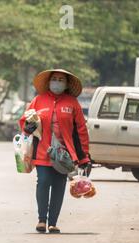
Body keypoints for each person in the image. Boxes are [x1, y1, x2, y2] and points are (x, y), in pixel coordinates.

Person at [19, 69, 91, 234]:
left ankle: (53, 223)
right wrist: (27, 126)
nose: (57, 82)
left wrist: (84, 156)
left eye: (61, 80)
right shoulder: (38, 100)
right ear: (49, 82)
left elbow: (81, 130)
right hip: (42, 151)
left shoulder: (72, 103)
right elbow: (24, 121)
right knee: (43, 181)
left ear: (66, 85)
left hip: (65, 154)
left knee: (59, 186)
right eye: (54, 79)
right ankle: (42, 220)